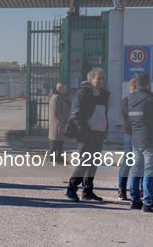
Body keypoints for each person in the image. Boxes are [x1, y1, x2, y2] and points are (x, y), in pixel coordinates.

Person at [65, 68, 110, 202]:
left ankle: (87, 191)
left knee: (93, 163)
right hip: (86, 134)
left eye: (103, 78)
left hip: (99, 133)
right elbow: (76, 114)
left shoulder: (103, 94)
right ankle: (71, 189)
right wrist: (84, 130)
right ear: (91, 79)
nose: (101, 81)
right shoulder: (83, 93)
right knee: (85, 162)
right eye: (98, 78)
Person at [127, 73, 153, 212]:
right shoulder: (150, 98)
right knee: (149, 172)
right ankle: (148, 203)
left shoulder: (129, 98)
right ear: (149, 84)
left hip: (135, 140)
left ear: (136, 84)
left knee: (136, 170)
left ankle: (134, 200)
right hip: (149, 141)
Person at [119, 77, 138, 200]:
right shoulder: (126, 100)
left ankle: (139, 189)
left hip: (141, 133)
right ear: (135, 86)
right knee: (128, 161)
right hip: (130, 133)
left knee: (140, 162)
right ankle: (121, 188)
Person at [48, 82, 71, 164]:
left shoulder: (60, 97)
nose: (66, 90)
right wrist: (62, 123)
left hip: (60, 124)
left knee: (60, 141)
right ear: (61, 89)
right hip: (58, 124)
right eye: (65, 88)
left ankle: (58, 157)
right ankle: (52, 158)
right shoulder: (56, 98)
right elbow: (56, 113)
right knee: (55, 141)